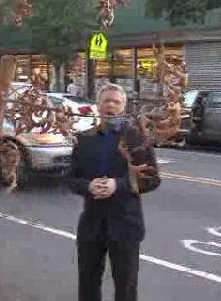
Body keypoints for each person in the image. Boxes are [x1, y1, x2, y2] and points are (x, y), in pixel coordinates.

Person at [68, 83, 161, 301]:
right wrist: (88, 187)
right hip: (91, 225)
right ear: (97, 106)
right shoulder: (85, 138)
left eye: (116, 101)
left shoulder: (136, 137)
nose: (110, 105)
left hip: (126, 224)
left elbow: (152, 179)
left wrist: (117, 185)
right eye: (106, 100)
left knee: (126, 287)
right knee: (88, 282)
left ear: (123, 107)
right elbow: (70, 178)